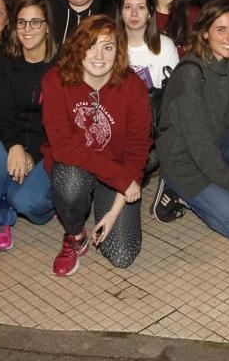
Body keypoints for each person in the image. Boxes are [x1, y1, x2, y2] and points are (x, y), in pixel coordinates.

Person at [152, 1, 229, 239]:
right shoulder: (190, 74)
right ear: (204, 33)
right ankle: (176, 189)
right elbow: (199, 146)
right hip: (183, 162)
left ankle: (216, 188)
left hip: (214, 146)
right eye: (221, 30)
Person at [41, 15, 151, 275]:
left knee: (122, 255)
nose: (99, 55)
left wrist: (114, 211)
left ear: (119, 51)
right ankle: (75, 235)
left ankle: (101, 208)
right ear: (78, 48)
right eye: (90, 46)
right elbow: (63, 148)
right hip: (77, 168)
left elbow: (137, 150)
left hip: (115, 173)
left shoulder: (133, 87)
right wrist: (121, 179)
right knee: (69, 181)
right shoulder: (56, 80)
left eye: (108, 47)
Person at [0, 0, 57, 252]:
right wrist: (15, 146)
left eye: (35, 22)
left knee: (25, 201)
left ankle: (51, 206)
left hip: (49, 144)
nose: (28, 29)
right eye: (22, 22)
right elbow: (0, 114)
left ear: (47, 27)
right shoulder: (6, 61)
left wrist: (31, 153)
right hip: (13, 135)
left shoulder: (63, 64)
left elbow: (60, 122)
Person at [119, 0, 180, 90]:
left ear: (150, 12)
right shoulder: (109, 46)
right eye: (128, 7)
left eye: (141, 7)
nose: (134, 13)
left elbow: (174, 92)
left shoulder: (165, 46)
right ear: (121, 12)